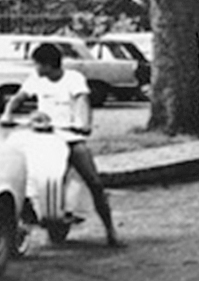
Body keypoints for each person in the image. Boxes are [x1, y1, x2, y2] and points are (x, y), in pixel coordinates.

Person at [11, 41, 121, 248]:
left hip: (70, 136)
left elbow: (83, 103)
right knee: (23, 176)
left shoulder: (73, 79)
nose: (35, 69)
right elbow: (18, 98)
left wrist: (84, 124)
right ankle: (23, 223)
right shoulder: (36, 79)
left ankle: (111, 231)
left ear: (49, 65)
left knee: (94, 182)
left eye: (38, 65)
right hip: (44, 137)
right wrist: (8, 113)